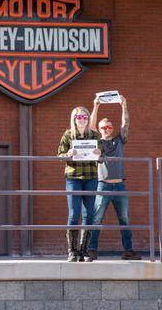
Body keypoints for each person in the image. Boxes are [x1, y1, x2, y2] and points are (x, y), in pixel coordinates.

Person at [87, 95, 142, 261]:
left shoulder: (119, 140)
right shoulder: (97, 142)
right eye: (103, 127)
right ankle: (91, 250)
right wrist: (95, 106)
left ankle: (128, 250)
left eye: (109, 126)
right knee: (96, 218)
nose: (107, 129)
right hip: (103, 186)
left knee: (124, 219)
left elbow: (126, 125)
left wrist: (124, 105)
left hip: (119, 186)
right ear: (100, 129)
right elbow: (90, 127)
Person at [57, 106, 102, 262]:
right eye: (79, 117)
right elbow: (60, 155)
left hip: (91, 177)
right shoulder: (68, 135)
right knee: (73, 214)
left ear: (88, 119)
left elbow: (102, 156)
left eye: (84, 117)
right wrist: (68, 154)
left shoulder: (95, 136)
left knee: (89, 215)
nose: (82, 120)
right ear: (74, 119)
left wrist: (99, 154)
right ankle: (72, 251)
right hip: (73, 177)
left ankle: (83, 251)